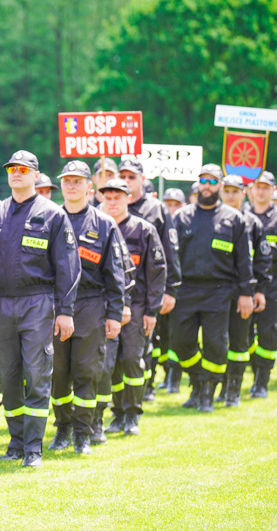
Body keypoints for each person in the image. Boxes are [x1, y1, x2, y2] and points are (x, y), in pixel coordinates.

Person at [0, 150, 80, 467]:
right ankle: (16, 441)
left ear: (36, 175)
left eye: (23, 169)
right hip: (0, 304)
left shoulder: (52, 214)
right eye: (11, 168)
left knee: (36, 374)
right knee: (7, 376)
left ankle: (33, 447)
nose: (16, 173)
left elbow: (68, 267)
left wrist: (66, 311)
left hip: (38, 301)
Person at [50, 162, 127, 453]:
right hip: (56, 306)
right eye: (66, 180)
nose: (71, 186)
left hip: (91, 304)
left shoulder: (104, 223)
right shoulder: (50, 219)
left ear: (89, 187)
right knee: (58, 372)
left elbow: (115, 273)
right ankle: (63, 428)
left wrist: (115, 314)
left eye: (77, 181)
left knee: (86, 370)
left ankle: (83, 431)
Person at [170, 165, 253, 412]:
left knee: (216, 344)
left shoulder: (234, 219)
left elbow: (243, 261)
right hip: (185, 290)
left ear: (220, 185)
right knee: (181, 343)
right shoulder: (181, 216)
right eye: (203, 180)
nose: (207, 185)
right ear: (198, 184)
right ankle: (197, 380)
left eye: (212, 181)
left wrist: (246, 293)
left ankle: (208, 391)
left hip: (219, 290)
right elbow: (171, 258)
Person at [99, 178, 165, 436]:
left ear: (128, 198)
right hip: (105, 307)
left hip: (136, 307)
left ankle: (132, 414)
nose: (112, 202)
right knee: (110, 363)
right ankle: (117, 413)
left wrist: (152, 310)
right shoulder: (100, 228)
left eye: (117, 197)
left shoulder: (144, 230)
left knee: (132, 360)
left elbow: (157, 273)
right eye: (108, 197)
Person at [119, 159, 180, 402]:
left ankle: (143, 391)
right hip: (113, 295)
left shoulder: (157, 209)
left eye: (131, 177)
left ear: (142, 179)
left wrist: (170, 291)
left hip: (144, 294)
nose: (126, 181)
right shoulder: (108, 206)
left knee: (140, 349)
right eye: (122, 176)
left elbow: (169, 253)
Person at [218, 175, 271, 406]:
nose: (231, 195)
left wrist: (257, 291)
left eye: (235, 191)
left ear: (244, 193)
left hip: (243, 292)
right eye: (227, 190)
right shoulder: (215, 220)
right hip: (218, 291)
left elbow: (262, 261)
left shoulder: (253, 223)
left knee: (239, 341)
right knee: (218, 341)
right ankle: (216, 386)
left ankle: (234, 390)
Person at [244, 171, 277, 398]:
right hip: (246, 282)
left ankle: (262, 380)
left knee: (268, 331)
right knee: (243, 332)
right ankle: (253, 370)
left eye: (265, 187)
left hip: (272, 281)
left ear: (273, 190)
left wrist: (256, 249)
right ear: (252, 189)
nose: (260, 191)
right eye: (257, 186)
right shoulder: (243, 216)